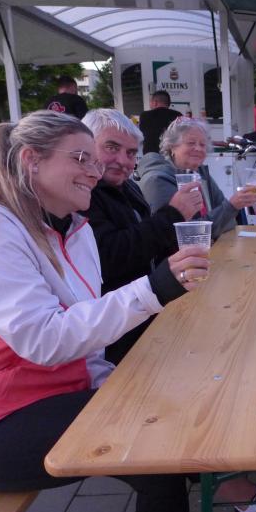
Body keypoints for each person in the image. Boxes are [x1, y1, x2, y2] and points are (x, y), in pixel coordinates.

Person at [0, 110, 206, 512]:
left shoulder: (76, 229)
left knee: (168, 415)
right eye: (82, 159)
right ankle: (239, 493)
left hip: (60, 390)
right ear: (31, 160)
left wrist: (114, 383)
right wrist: (153, 289)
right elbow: (43, 340)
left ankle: (232, 485)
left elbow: (88, 343)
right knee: (158, 448)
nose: (95, 172)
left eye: (95, 162)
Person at [81, 109, 203, 364]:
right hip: (113, 337)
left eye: (130, 153)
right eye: (112, 148)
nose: (123, 161)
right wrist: (174, 214)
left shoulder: (126, 186)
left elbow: (148, 245)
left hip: (147, 312)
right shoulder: (84, 194)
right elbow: (109, 257)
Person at [138, 117, 256, 236]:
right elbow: (183, 234)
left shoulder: (200, 174)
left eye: (202, 144)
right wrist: (231, 206)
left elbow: (228, 222)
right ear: (172, 147)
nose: (198, 148)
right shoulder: (157, 180)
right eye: (191, 143)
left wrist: (231, 208)